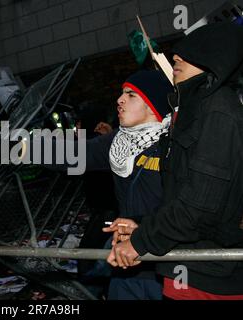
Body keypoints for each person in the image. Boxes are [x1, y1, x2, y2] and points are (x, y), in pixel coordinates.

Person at [105, 21, 243, 300]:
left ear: (216, 57)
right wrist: (143, 225)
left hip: (208, 279)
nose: (176, 57)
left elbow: (201, 207)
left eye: (190, 52)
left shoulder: (219, 111)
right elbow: (180, 196)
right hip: (184, 269)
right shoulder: (195, 109)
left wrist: (140, 242)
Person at [27, 70, 173, 299]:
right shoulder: (119, 142)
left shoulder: (177, 144)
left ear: (152, 105)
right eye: (122, 93)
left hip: (168, 265)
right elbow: (75, 154)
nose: (120, 99)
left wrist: (143, 225)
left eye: (131, 95)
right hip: (127, 266)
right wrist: (22, 148)